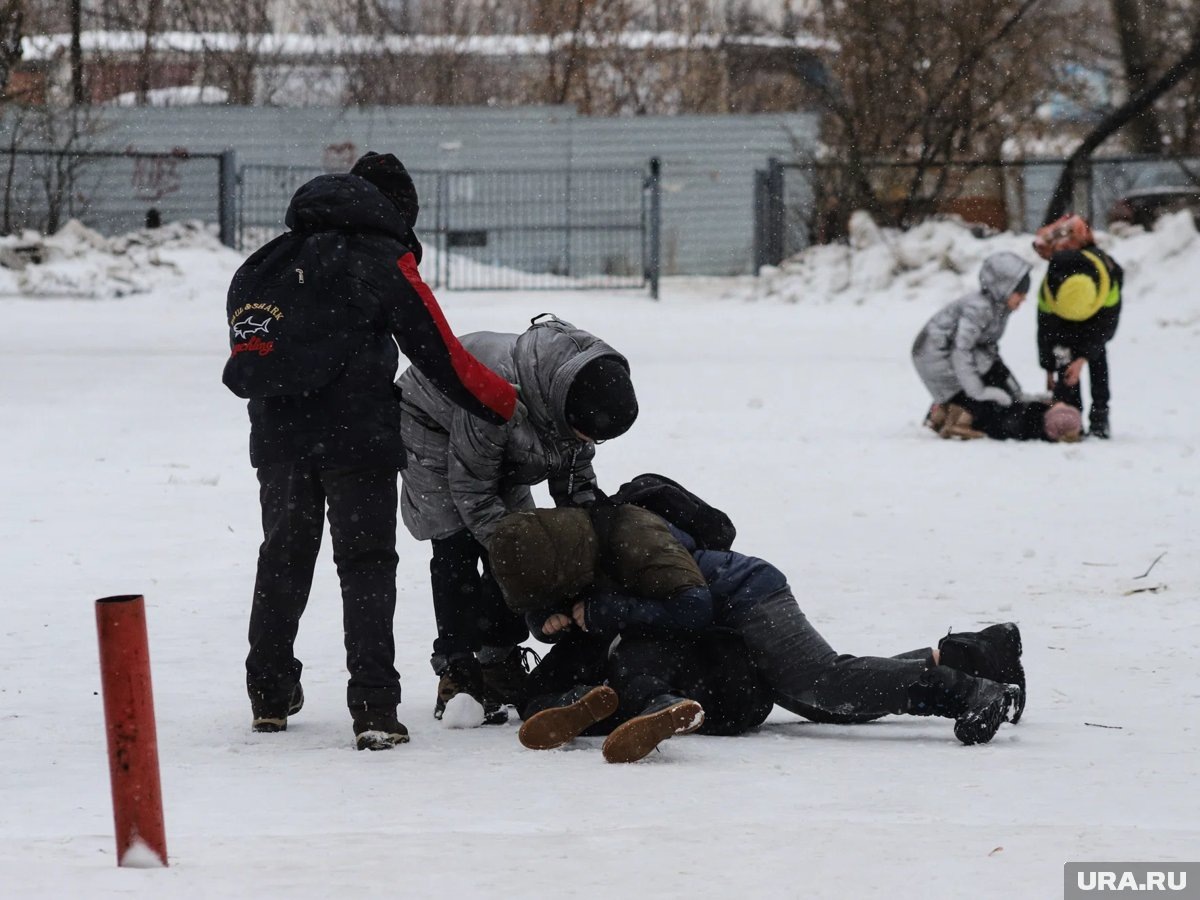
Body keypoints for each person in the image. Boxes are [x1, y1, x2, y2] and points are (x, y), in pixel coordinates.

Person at [222, 151, 518, 751]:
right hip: (357, 438)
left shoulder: (268, 262)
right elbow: (443, 357)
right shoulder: (384, 260)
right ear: (395, 211)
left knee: (283, 559)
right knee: (366, 568)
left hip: (279, 438)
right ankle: (376, 708)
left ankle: (270, 695)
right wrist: (510, 403)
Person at [489, 504, 1025, 746]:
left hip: (749, 598)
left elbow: (691, 608)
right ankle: (971, 654)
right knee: (825, 703)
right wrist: (548, 619)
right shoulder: (575, 552)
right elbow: (559, 602)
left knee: (825, 683)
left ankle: (971, 692)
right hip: (720, 629)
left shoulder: (633, 534)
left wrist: (611, 613)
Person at [395, 314, 638, 723]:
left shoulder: (577, 394)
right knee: (457, 543)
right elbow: (471, 491)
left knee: (521, 543)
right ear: (571, 414)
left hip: (503, 438)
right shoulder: (501, 393)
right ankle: (457, 668)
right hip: (434, 422)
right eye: (590, 436)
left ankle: (498, 659)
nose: (591, 444)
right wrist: (521, 549)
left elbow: (576, 480)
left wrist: (590, 538)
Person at [517, 629, 774, 763]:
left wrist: (597, 609)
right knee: (533, 695)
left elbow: (688, 602)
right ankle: (590, 703)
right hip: (730, 699)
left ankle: (658, 704)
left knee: (632, 681)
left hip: (669, 658)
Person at [912, 251, 1033, 430]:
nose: (1023, 297)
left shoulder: (998, 308)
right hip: (936, 355)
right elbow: (961, 350)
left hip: (953, 354)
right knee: (988, 410)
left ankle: (948, 409)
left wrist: (1013, 392)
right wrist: (979, 391)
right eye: (1019, 292)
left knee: (997, 385)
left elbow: (990, 350)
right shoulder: (979, 308)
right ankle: (958, 414)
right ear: (1002, 287)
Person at [1033, 214, 1123, 439]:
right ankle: (1070, 417)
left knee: (1096, 356)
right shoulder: (1051, 285)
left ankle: (1100, 415)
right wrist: (1049, 365)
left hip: (1096, 319)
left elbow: (1105, 330)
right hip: (1062, 324)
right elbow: (1045, 328)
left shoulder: (1109, 277)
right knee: (1064, 359)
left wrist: (1082, 358)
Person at [929, 398, 1083, 443]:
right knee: (985, 418)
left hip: (1010, 416)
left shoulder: (1036, 410)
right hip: (1006, 426)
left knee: (976, 405)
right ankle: (961, 424)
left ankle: (957, 424)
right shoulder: (1042, 431)